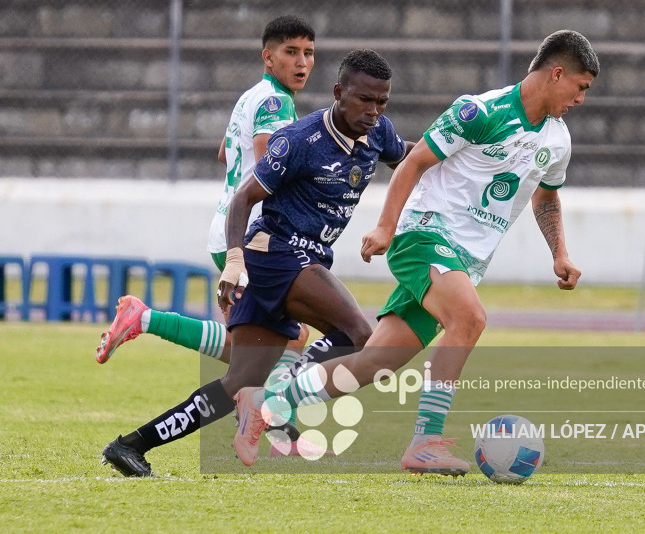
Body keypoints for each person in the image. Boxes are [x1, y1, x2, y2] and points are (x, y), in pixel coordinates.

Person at [235, 29, 599, 475]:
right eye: (580, 87)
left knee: (375, 362)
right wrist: (387, 226)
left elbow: (546, 198)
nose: (582, 99)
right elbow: (413, 162)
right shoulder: (478, 111)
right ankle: (425, 442)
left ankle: (267, 402)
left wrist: (559, 253)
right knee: (469, 319)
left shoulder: (557, 140)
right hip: (424, 235)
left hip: (465, 260)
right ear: (557, 73)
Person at [101, 49, 412, 477]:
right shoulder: (300, 140)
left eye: (382, 102)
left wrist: (459, 152)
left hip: (295, 261)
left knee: (237, 384)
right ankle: (274, 396)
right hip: (277, 254)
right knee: (360, 334)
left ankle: (130, 445)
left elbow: (410, 161)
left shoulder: (377, 133)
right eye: (364, 100)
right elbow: (244, 198)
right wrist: (233, 260)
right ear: (339, 93)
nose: (374, 111)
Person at [95, 15, 316, 367]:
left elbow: (224, 153)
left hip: (228, 228)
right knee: (290, 338)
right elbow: (270, 166)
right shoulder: (277, 103)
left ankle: (144, 319)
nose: (302, 62)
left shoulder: (251, 97)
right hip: (254, 237)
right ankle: (268, 416)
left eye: (308, 52)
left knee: (253, 345)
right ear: (268, 57)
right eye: (291, 52)